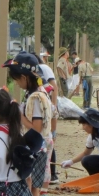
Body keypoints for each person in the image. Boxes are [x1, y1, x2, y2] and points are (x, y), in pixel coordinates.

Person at [4, 51, 54, 196]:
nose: (17, 83)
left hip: (35, 146)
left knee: (31, 189)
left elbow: (36, 128)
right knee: (35, 189)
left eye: (17, 79)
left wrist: (18, 113)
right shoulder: (42, 92)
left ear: (25, 77)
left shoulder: (35, 97)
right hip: (42, 145)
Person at [33, 53, 60, 185]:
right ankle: (48, 177)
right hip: (47, 106)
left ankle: (52, 175)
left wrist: (53, 105)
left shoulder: (43, 68)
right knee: (48, 142)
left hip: (48, 106)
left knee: (48, 142)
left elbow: (54, 86)